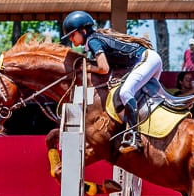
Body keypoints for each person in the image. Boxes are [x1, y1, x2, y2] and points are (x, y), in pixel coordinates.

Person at [61, 10, 161, 153]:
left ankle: (134, 136)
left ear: (83, 31)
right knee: (142, 99)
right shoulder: (95, 39)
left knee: (126, 92)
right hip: (150, 59)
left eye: (72, 34)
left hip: (146, 60)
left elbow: (103, 68)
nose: (71, 39)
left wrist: (88, 67)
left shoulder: (93, 41)